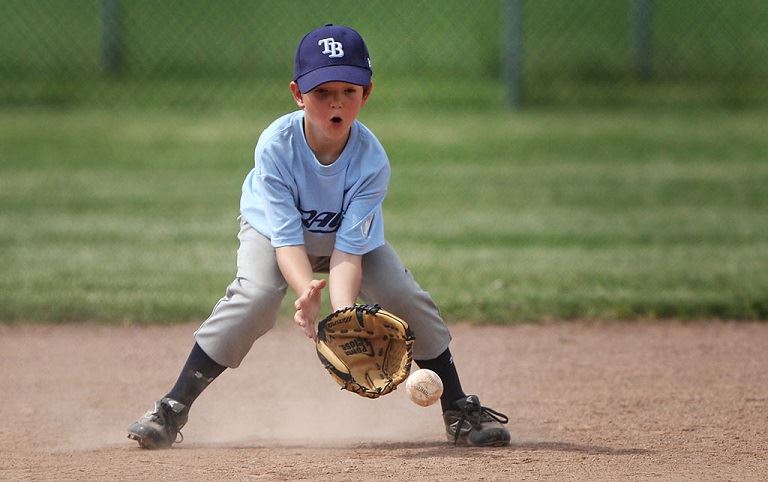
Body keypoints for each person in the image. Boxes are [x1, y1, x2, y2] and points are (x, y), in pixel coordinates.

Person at [127, 24, 510, 449]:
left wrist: (345, 317)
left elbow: (349, 251)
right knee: (253, 298)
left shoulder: (371, 160)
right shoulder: (276, 145)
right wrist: (306, 289)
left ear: (367, 93)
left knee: (403, 293)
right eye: (322, 91)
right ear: (298, 94)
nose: (336, 103)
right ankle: (171, 408)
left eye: (348, 90)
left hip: (346, 246)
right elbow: (286, 238)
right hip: (273, 234)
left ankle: (457, 407)